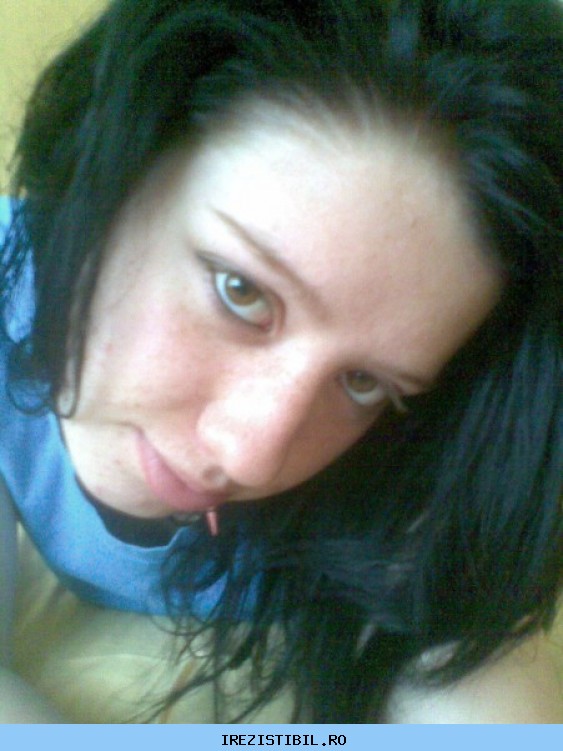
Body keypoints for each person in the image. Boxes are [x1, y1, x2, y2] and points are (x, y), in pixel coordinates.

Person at [0, 0, 561, 723]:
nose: (252, 458)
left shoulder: (423, 451)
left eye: (362, 383)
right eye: (240, 292)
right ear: (112, 166)